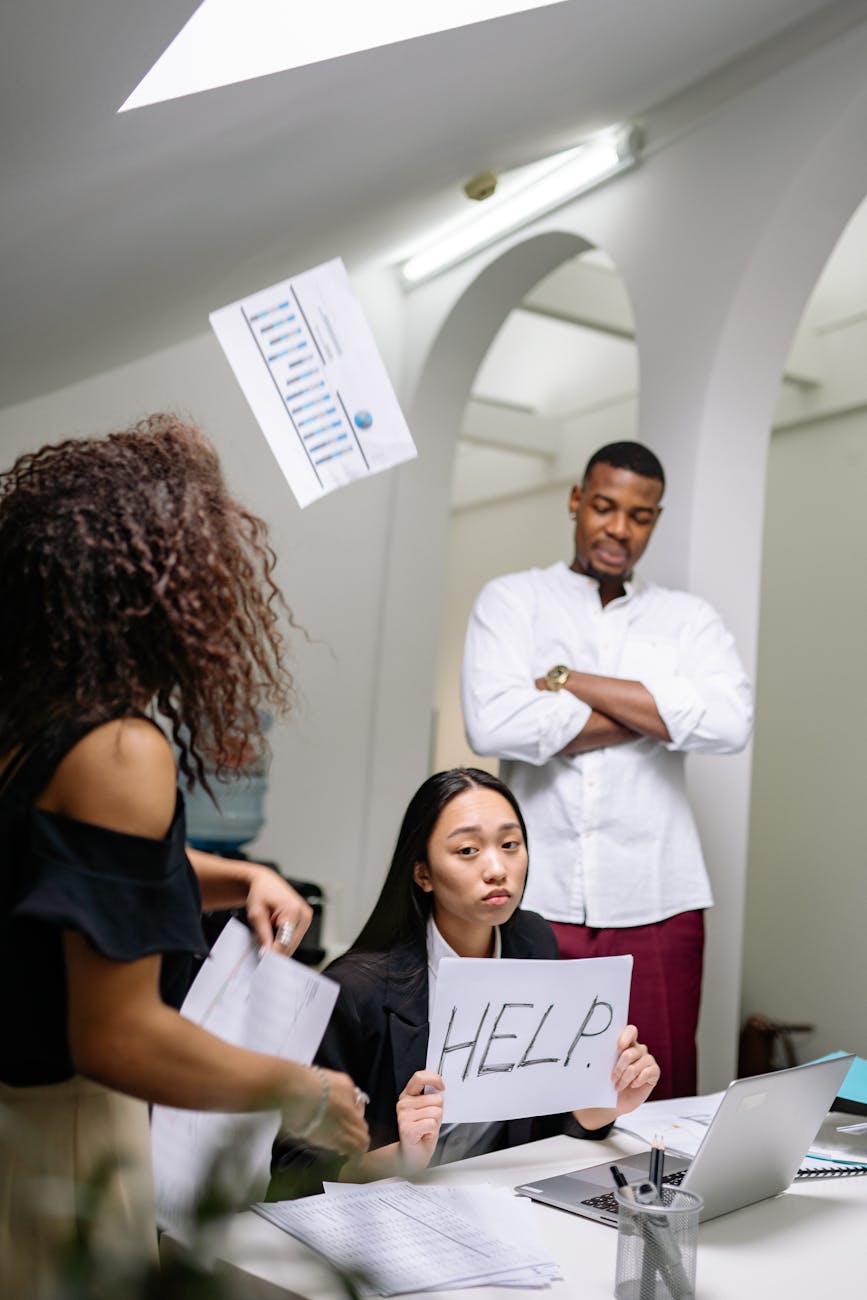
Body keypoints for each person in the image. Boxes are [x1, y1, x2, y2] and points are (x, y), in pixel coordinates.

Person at [0, 416, 369, 1294]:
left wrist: (234, 874)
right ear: (154, 585)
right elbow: (116, 1034)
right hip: (65, 1146)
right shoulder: (122, 751)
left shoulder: (26, 730)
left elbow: (56, 882)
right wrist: (304, 1092)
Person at [460, 441, 753, 1099]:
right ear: (575, 500)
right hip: (536, 895)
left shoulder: (688, 619)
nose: (619, 529)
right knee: (519, 1093)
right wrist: (656, 708)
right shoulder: (512, 601)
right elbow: (494, 723)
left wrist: (568, 682)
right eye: (603, 506)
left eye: (639, 515)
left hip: (657, 897)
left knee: (661, 1095)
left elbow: (729, 724)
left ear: (655, 518)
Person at [270, 768, 659, 1195]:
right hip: (391, 1217)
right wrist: (401, 1157)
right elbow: (292, 1172)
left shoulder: (531, 940)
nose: (497, 869)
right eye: (468, 850)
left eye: (510, 845)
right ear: (423, 874)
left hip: (502, 1199)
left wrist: (603, 1103)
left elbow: (534, 1117)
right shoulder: (355, 990)